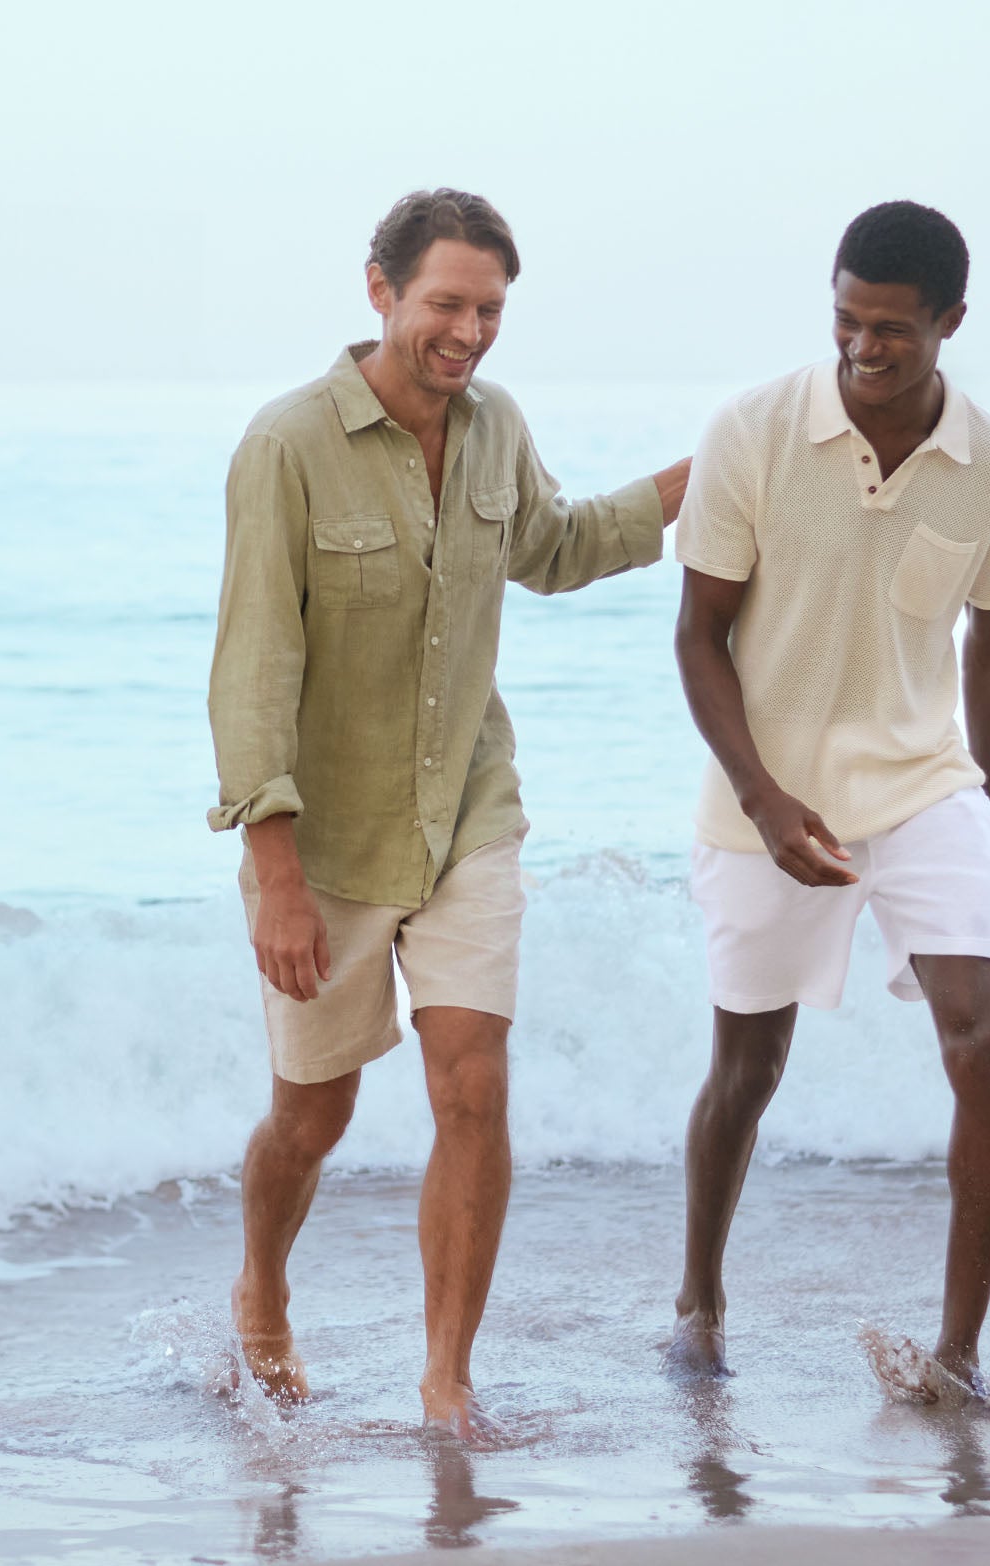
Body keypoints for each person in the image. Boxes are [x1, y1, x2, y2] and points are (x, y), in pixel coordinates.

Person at [207, 188, 691, 1438]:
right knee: (311, 1114)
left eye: (488, 310)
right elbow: (253, 663)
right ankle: (261, 1284)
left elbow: (557, 545)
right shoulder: (284, 445)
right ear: (378, 288)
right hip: (329, 840)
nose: (468, 333)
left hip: (468, 807)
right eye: (445, 304)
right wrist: (274, 871)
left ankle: (445, 1377)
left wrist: (710, 474)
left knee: (472, 1079)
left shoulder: (495, 430)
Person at [667, 201, 990, 1397]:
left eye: (891, 330)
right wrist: (765, 799)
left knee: (982, 1037)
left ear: (949, 323)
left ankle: (958, 1356)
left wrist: (987, 805)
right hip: (762, 791)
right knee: (747, 1069)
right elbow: (698, 633)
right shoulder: (753, 431)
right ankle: (699, 1298)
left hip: (922, 781)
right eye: (844, 322)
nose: (862, 349)